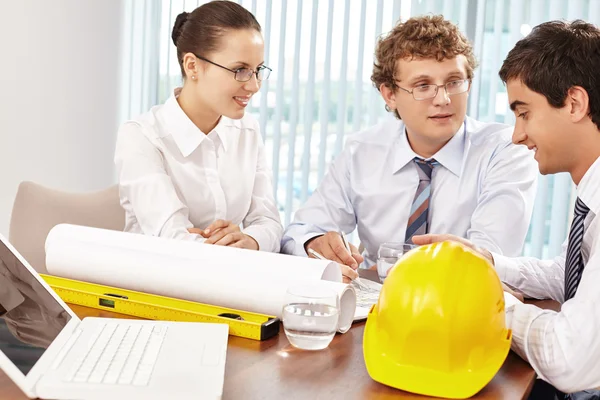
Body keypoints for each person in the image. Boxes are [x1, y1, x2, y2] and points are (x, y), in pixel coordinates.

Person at [414, 20, 600, 397]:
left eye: (524, 113)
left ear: (575, 104)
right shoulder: (590, 194)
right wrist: (485, 263)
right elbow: (567, 276)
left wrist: (488, 301)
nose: (516, 135)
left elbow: (568, 361)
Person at [281, 15, 538, 282]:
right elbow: (298, 232)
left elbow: (486, 258)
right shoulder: (362, 152)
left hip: (458, 305)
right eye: (423, 86)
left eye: (454, 82)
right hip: (375, 304)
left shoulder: (506, 150)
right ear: (390, 95)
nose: (443, 99)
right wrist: (315, 243)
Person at [115, 1, 282, 252]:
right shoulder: (142, 136)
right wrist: (230, 247)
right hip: (156, 283)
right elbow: (172, 240)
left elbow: (268, 222)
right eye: (240, 70)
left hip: (229, 280)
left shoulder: (247, 130)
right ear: (192, 65)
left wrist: (251, 240)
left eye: (257, 70)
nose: (254, 85)